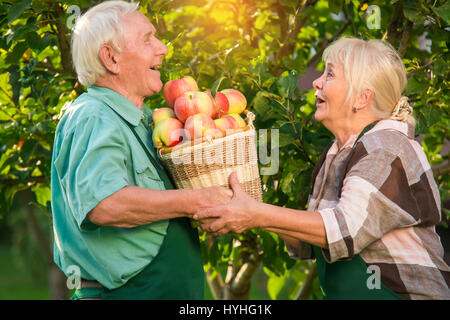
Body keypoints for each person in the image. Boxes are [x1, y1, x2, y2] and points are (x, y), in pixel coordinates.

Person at [194, 37, 450, 300]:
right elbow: (312, 242)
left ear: (362, 97)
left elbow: (343, 229)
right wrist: (246, 205)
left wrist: (256, 214)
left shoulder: (385, 149)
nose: (316, 82)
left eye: (329, 74)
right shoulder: (339, 152)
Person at [51, 1, 232, 300]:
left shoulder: (149, 121)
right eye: (148, 39)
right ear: (111, 58)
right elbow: (105, 203)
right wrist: (197, 200)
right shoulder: (93, 116)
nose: (163, 48)